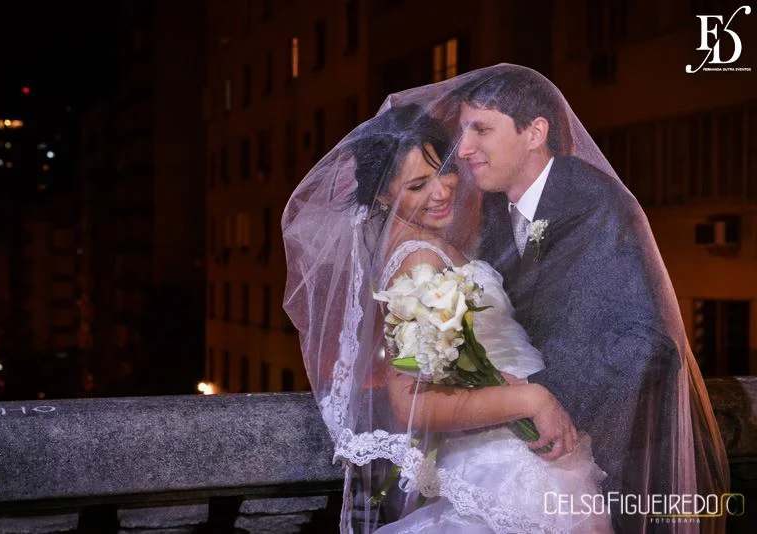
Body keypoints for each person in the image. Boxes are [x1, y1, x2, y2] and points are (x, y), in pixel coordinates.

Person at [283, 99, 612, 533]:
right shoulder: (417, 262)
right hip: (505, 460)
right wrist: (535, 399)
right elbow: (410, 403)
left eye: (445, 172)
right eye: (417, 185)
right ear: (383, 194)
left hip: (523, 447)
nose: (441, 192)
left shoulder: (430, 244)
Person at [453, 64, 729, 533]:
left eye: (481, 129)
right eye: (462, 131)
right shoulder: (498, 210)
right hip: (551, 455)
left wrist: (537, 397)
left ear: (535, 132)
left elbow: (647, 344)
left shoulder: (593, 204)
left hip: (618, 456)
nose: (463, 150)